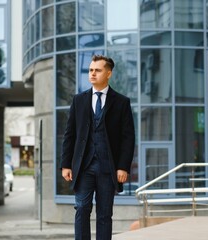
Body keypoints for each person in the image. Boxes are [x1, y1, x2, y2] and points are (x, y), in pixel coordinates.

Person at [61, 55, 135, 240]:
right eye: (91, 70)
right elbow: (70, 135)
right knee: (82, 208)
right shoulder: (79, 100)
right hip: (84, 167)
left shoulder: (121, 102)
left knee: (104, 214)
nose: (92, 73)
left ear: (108, 73)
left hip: (107, 168)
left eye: (97, 70)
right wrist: (66, 164)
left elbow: (128, 138)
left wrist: (123, 166)